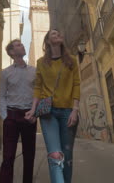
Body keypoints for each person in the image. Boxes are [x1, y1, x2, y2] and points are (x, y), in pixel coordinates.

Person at [25, 29, 80, 183]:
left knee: (67, 156)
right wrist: (33, 109)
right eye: (54, 34)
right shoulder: (41, 63)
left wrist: (75, 110)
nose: (58, 35)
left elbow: (76, 84)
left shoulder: (72, 61)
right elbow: (38, 87)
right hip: (48, 113)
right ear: (48, 41)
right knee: (55, 155)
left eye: (59, 33)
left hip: (68, 111)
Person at [0, 39, 37, 183]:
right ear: (12, 52)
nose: (22, 45)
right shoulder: (5, 73)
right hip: (11, 116)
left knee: (29, 156)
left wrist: (35, 113)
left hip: (29, 116)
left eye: (22, 44)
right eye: (18, 45)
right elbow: (2, 95)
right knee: (8, 157)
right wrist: (5, 116)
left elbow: (38, 95)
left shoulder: (34, 71)